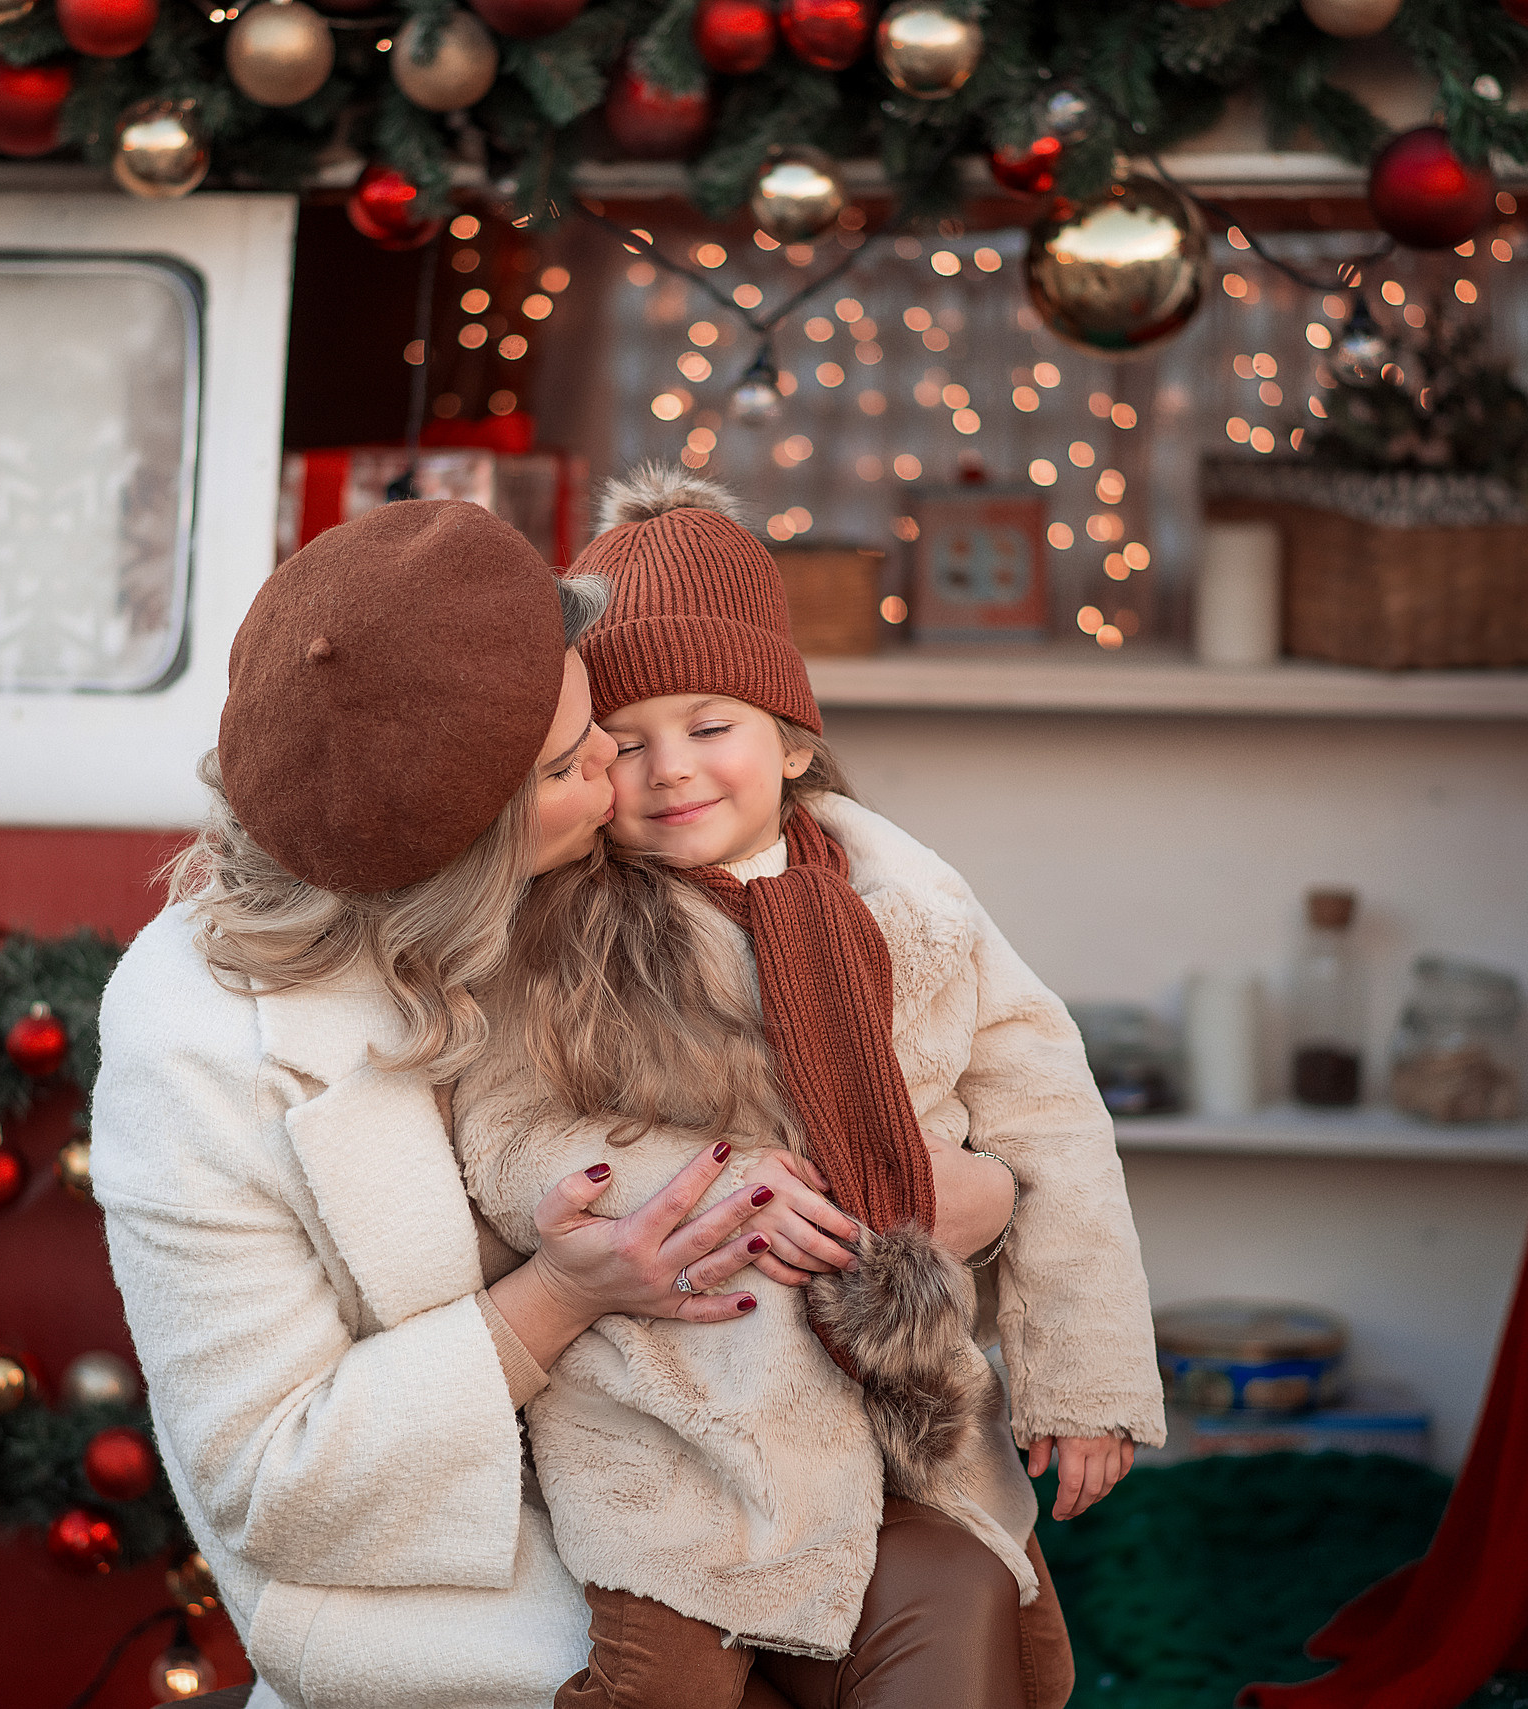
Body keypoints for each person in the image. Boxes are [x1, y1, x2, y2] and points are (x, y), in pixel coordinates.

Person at [453, 469, 1166, 1709]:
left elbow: (1052, 1119)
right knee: (659, 1683)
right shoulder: (564, 928)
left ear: (790, 736)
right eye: (624, 743)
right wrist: (696, 1184)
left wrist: (1085, 1378)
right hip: (675, 1411)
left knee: (965, 1619)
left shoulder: (917, 904)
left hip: (899, 1408)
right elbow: (505, 1130)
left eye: (710, 724)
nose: (670, 769)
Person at [88, 499, 776, 1709]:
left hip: (744, 1495)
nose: (622, 764)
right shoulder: (195, 1044)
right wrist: (557, 1296)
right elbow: (268, 1477)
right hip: (461, 1633)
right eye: (570, 765)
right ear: (461, 859)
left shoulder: (629, 866)